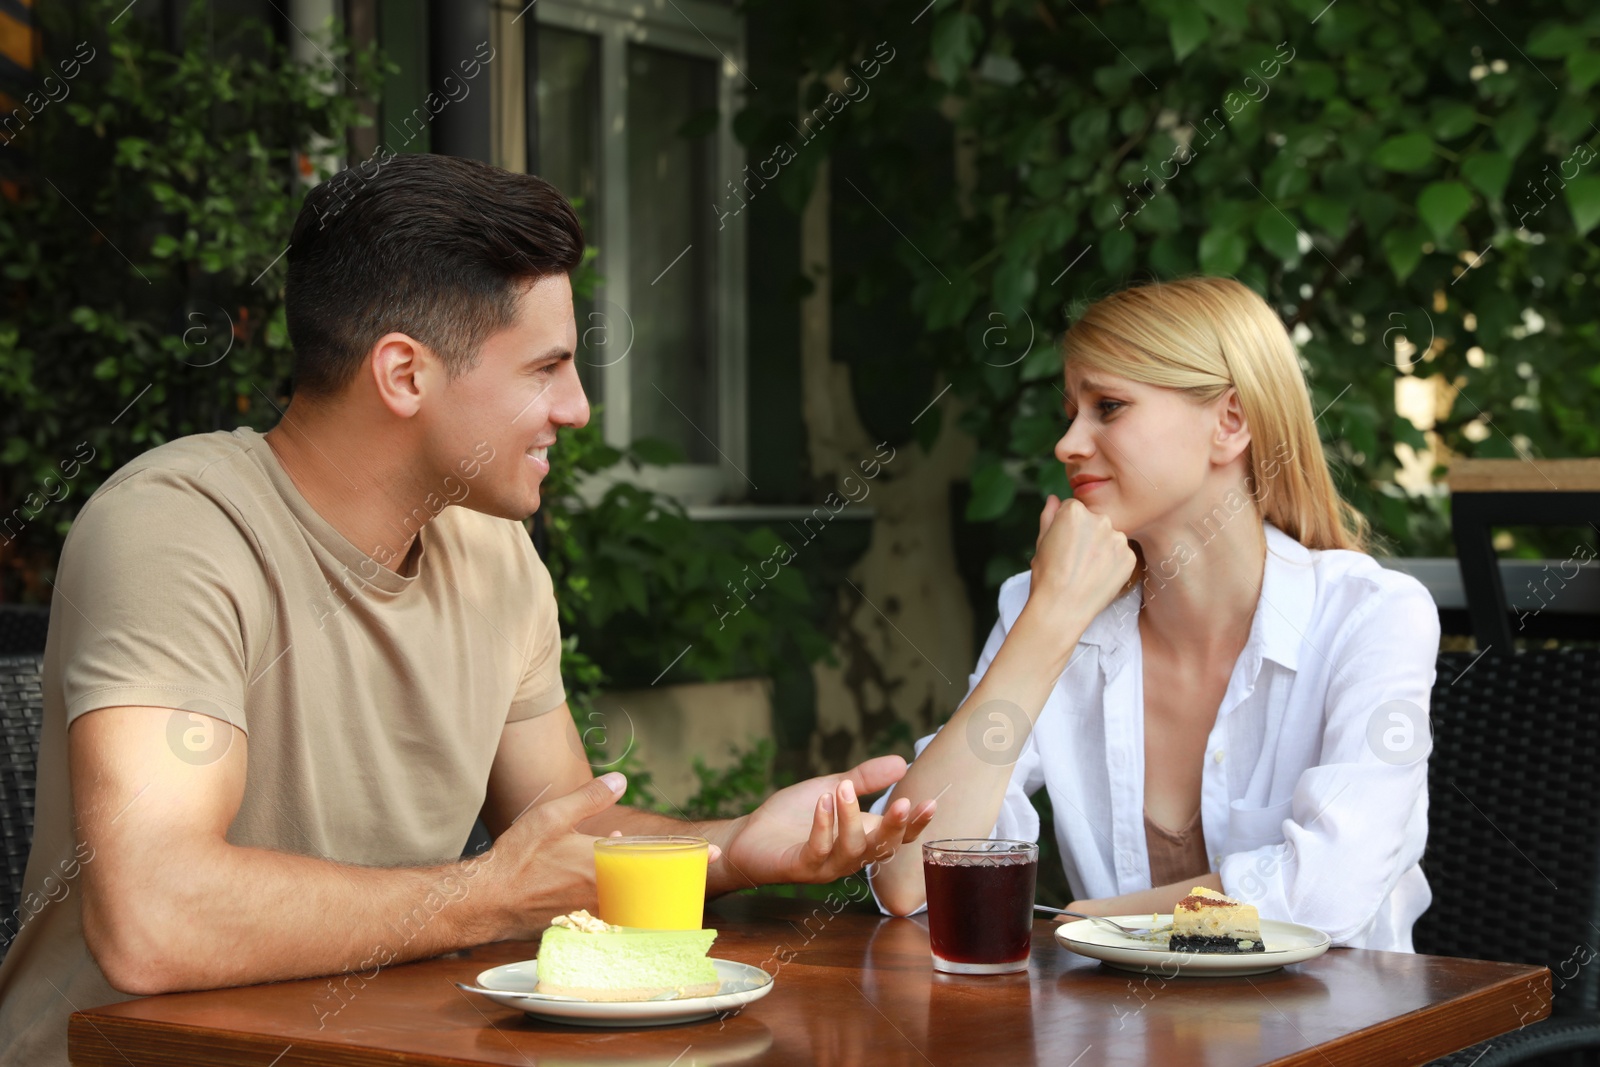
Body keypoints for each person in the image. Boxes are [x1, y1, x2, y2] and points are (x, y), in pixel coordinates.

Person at [0, 153, 935, 1065]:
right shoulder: (177, 532)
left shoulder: (492, 553)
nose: (576, 408)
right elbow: (155, 919)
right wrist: (489, 895)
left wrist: (733, 846)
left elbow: (559, 844)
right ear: (405, 374)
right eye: (547, 367)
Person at [870, 277, 1437, 951]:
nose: (1067, 443)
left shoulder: (1371, 616)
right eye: (1071, 410)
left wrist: (1104, 919)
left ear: (1230, 423)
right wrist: (1049, 620)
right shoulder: (1049, 605)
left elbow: (1324, 892)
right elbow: (909, 877)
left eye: (1108, 406)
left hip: (1335, 1041)